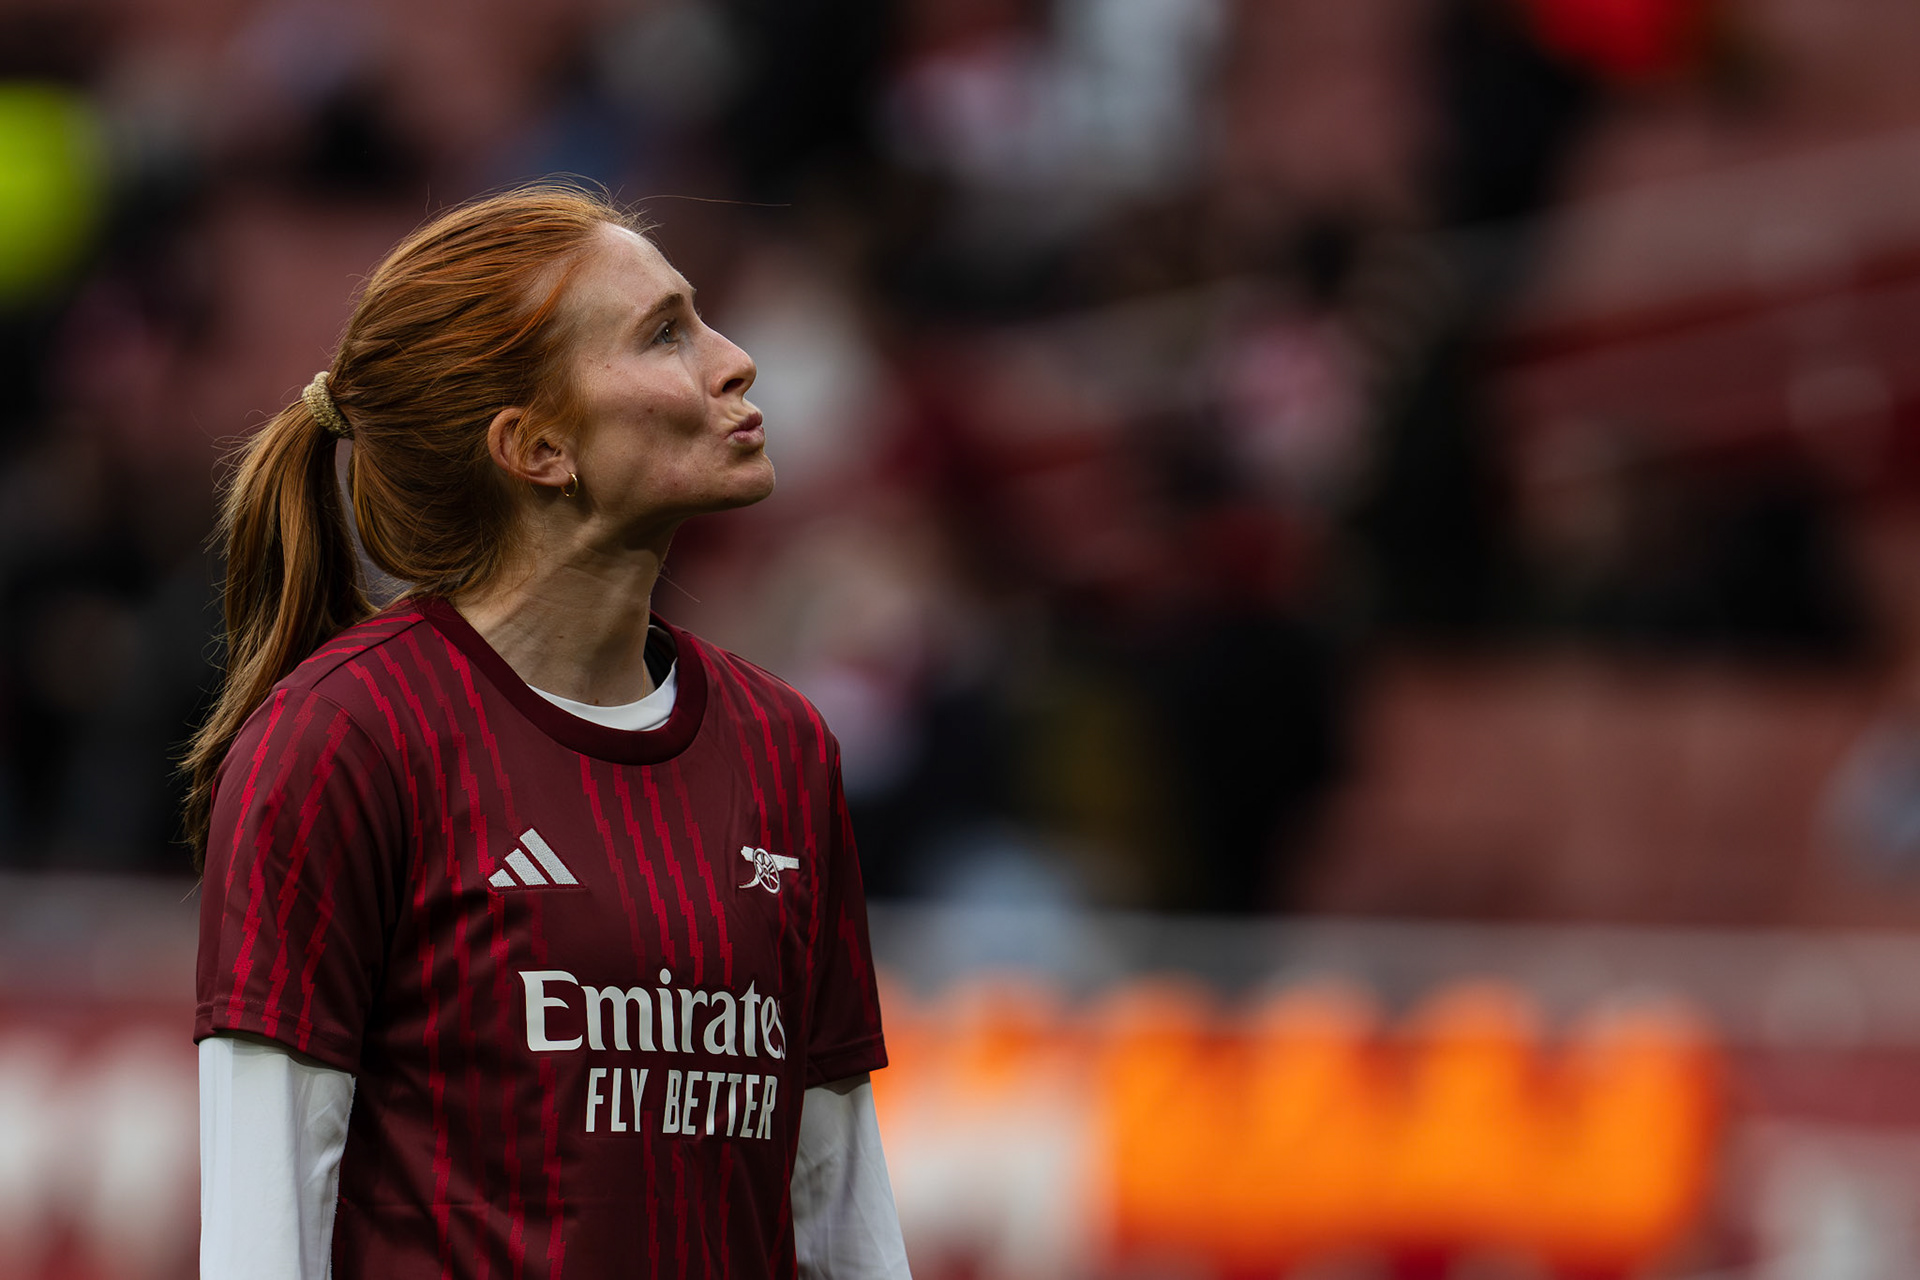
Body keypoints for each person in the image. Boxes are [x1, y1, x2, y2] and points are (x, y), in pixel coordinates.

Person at [187, 184, 912, 1279]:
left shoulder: (784, 746)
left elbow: (841, 1204)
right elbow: (261, 1229)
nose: (735, 360)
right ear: (535, 447)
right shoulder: (344, 737)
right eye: (665, 333)